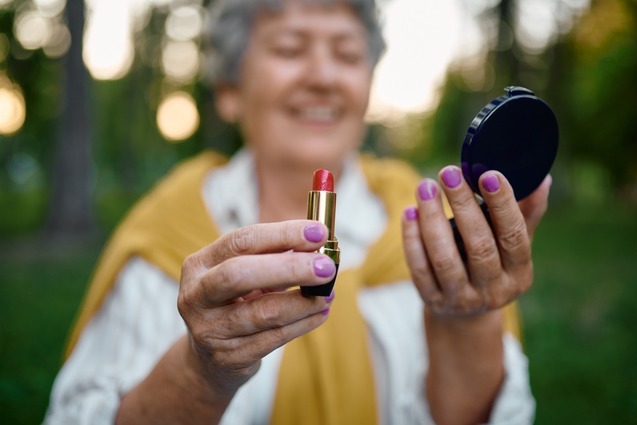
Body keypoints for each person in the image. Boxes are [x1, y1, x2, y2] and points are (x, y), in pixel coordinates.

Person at [44, 0, 551, 424]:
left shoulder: (434, 230)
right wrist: (202, 372)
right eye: (289, 48)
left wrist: (465, 322)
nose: (324, 76)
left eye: (348, 54)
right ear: (229, 91)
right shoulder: (166, 230)